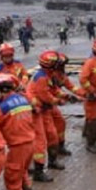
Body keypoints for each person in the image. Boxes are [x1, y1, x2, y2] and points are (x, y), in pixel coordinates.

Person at [0, 74, 37, 190]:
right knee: (22, 171)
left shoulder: (2, 107)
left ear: (2, 90)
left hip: (18, 146)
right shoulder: (23, 99)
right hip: (30, 143)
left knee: (11, 176)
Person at [27, 50, 64, 180]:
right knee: (40, 140)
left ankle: (52, 161)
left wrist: (63, 96)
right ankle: (38, 171)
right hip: (36, 111)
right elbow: (46, 96)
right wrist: (58, 101)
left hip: (44, 109)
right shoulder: (41, 77)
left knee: (52, 134)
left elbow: (54, 89)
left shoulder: (48, 75)